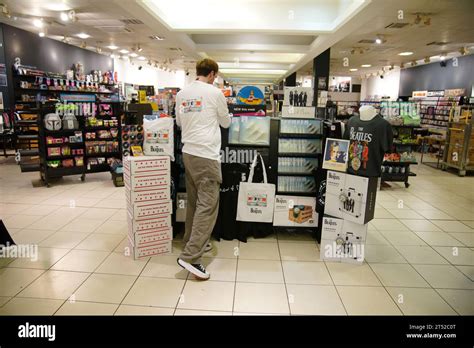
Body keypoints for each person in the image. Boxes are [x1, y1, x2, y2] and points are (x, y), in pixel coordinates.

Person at [175, 58, 231, 280]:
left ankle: (191, 242)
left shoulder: (182, 94)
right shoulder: (215, 93)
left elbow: (179, 123)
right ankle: (191, 257)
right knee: (207, 207)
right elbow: (225, 122)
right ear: (212, 74)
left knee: (194, 202)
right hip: (207, 155)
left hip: (188, 153)